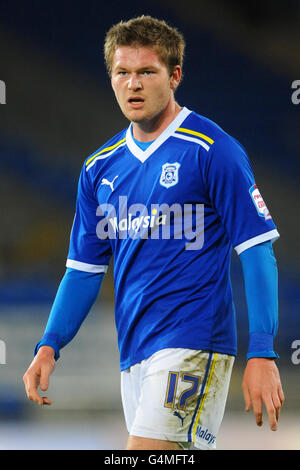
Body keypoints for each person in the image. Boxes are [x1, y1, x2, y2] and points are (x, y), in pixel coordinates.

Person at [23, 15, 284, 450]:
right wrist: (49, 346)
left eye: (147, 72)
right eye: (122, 73)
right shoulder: (99, 168)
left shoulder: (213, 151)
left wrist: (262, 350)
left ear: (175, 75)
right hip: (134, 354)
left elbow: (257, 251)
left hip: (194, 342)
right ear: (110, 78)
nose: (134, 84)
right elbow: (84, 270)